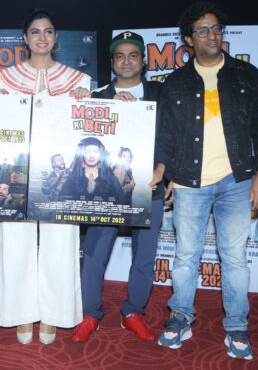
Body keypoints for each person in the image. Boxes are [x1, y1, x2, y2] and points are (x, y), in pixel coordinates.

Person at [152, 2, 258, 360]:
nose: (212, 35)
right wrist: (163, 170)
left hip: (237, 181)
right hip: (191, 181)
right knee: (186, 256)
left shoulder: (246, 75)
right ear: (188, 39)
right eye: (203, 30)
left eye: (217, 29)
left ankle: (237, 325)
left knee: (234, 258)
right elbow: (166, 135)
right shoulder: (175, 82)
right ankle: (180, 317)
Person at [0, 8, 90, 345]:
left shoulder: (79, 81)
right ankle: (20, 314)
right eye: (35, 32)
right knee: (15, 241)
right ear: (25, 38)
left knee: (61, 242)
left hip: (59, 174)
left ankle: (54, 314)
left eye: (48, 31)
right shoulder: (2, 79)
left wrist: (84, 104)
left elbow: (84, 130)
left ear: (56, 37)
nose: (42, 38)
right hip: (18, 169)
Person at [70, 31, 166, 343]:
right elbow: (77, 139)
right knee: (95, 253)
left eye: (133, 55)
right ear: (112, 62)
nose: (127, 61)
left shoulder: (161, 94)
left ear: (144, 61)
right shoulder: (96, 96)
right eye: (120, 56)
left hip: (147, 185)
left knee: (145, 255)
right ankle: (89, 313)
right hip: (106, 192)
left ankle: (133, 312)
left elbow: (172, 137)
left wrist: (167, 171)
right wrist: (104, 106)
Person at [60, 137, 123, 203]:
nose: (91, 156)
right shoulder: (74, 177)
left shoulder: (110, 176)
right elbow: (63, 199)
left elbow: (120, 199)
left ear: (101, 154)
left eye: (96, 151)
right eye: (87, 152)